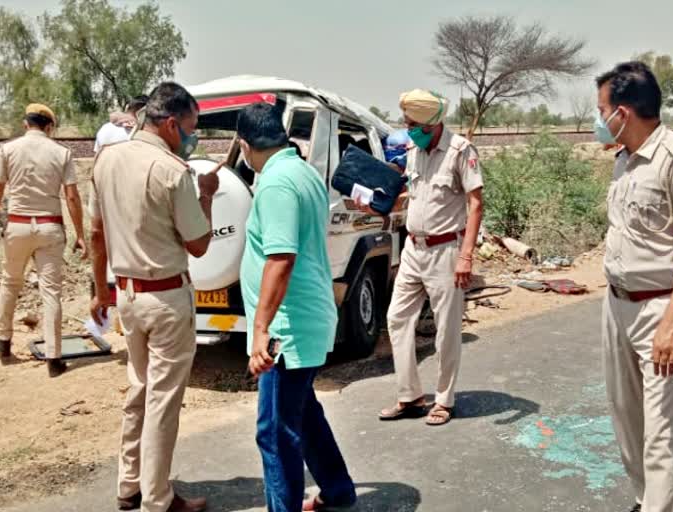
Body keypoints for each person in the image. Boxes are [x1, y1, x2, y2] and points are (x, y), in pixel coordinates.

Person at [89, 82, 219, 512]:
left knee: (139, 390)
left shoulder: (106, 160)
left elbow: (95, 231)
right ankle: (158, 498)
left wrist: (100, 288)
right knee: (163, 401)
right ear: (169, 124)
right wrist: (206, 195)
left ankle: (129, 485)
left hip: (126, 292)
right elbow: (199, 244)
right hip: (165, 297)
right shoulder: (172, 171)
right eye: (190, 128)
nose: (192, 136)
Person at [595, 61, 673, 512]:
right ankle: (647, 499)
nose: (599, 119)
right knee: (626, 416)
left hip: (660, 307)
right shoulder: (623, 159)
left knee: (659, 429)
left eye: (602, 109)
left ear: (623, 111)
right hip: (616, 303)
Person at [238, 103, 356, 512]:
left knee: (274, 431)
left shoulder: (274, 184)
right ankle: (338, 490)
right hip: (306, 318)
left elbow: (281, 258)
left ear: (244, 145)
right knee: (303, 413)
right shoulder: (303, 173)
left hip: (285, 330)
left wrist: (260, 330)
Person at [378, 89, 484, 426]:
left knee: (446, 329)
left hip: (445, 251)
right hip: (413, 248)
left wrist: (466, 256)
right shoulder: (414, 151)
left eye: (413, 124)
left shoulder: (459, 151)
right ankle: (409, 395)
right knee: (397, 318)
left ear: (432, 123)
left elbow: (476, 203)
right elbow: (412, 195)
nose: (408, 129)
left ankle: (444, 399)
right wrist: (379, 204)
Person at [0, 103, 87, 378]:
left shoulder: (8, 150)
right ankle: (54, 358)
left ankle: (3, 342)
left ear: (25, 124)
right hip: (50, 227)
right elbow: (72, 197)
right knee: (51, 293)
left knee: (10, 282)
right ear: (49, 127)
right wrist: (80, 235)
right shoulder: (62, 153)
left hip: (17, 225)